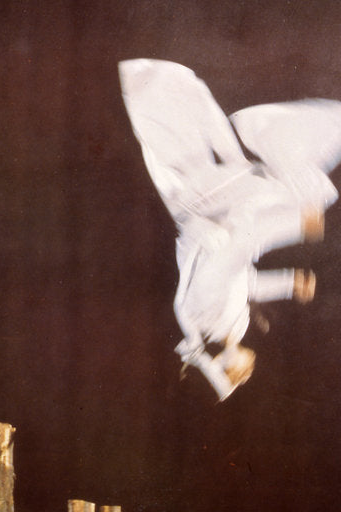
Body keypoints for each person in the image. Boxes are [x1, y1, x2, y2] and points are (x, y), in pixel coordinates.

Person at [119, 59, 341, 400]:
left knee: (302, 198)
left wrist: (295, 226)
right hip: (223, 217)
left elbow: (231, 255)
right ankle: (260, 132)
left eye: (239, 379)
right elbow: (245, 283)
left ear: (225, 367)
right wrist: (290, 283)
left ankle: (258, 128)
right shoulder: (228, 329)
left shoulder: (204, 317)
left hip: (209, 211)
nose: (247, 375)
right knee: (300, 194)